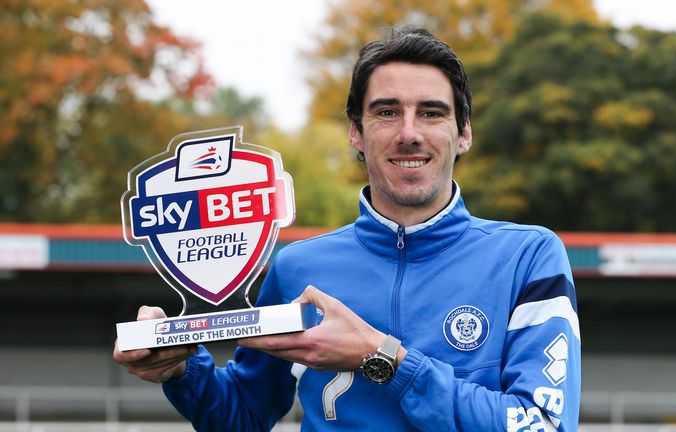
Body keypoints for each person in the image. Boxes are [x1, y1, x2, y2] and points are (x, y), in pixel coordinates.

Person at [114, 26, 581, 431]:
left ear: (464, 133)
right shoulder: (299, 267)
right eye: (386, 111)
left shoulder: (528, 257)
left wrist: (383, 358)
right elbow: (241, 417)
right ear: (355, 132)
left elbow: (542, 424)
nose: (409, 133)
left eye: (432, 113)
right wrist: (182, 368)